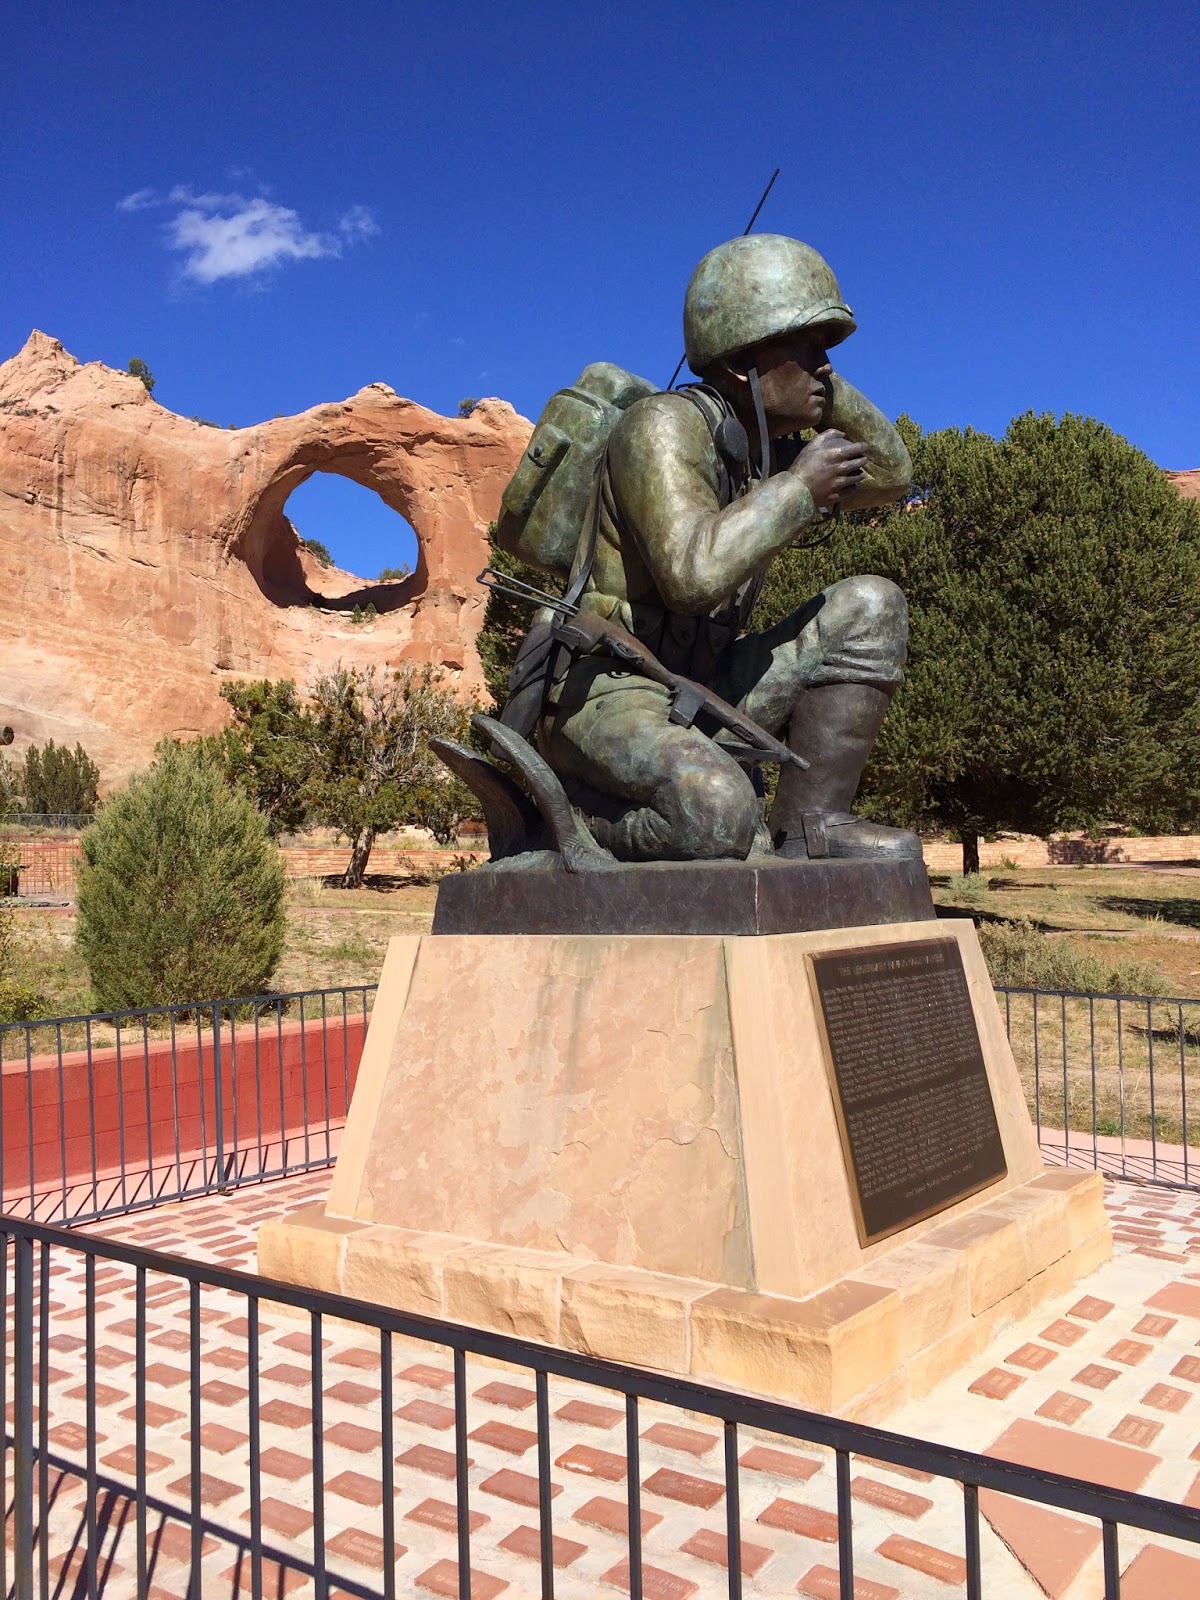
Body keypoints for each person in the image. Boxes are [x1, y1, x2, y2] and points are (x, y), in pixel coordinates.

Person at [527, 233, 920, 864]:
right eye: (806, 347)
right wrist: (798, 487)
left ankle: (814, 827)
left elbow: (891, 473)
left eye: (827, 351)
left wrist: (819, 387)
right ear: (740, 363)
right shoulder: (659, 425)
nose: (825, 366)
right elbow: (693, 575)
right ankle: (571, 818)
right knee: (717, 817)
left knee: (872, 604)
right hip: (605, 691)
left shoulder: (758, 451)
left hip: (702, 682)